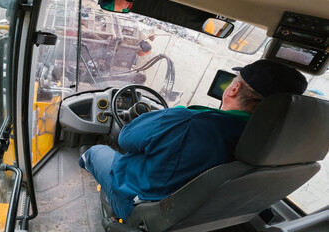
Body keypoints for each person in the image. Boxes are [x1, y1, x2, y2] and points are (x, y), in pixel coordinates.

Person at [79, 60, 308, 220]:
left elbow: (127, 138)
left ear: (234, 89)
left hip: (141, 202)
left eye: (232, 82)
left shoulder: (188, 121)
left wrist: (169, 115)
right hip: (201, 212)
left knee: (96, 151)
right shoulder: (274, 142)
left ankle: (82, 159)